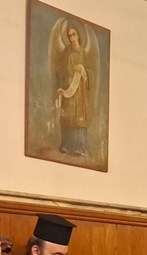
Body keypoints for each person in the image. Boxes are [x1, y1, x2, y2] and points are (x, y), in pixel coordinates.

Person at [55, 21, 94, 157]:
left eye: (74, 34)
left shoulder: (83, 53)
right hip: (69, 89)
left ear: (79, 35)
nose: (72, 38)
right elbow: (60, 70)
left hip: (80, 92)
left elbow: (91, 73)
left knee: (79, 117)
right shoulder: (66, 52)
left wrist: (83, 70)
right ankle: (66, 145)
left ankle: (80, 147)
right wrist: (67, 77)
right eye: (69, 35)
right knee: (68, 116)